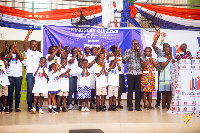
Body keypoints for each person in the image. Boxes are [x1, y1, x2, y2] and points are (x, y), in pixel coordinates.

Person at [124, 39, 146, 111]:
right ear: (132, 44)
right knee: (130, 90)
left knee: (138, 91)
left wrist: (139, 53)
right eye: (135, 44)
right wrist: (132, 50)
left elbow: (144, 61)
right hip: (130, 73)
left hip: (138, 73)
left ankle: (137, 106)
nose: (136, 45)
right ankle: (130, 105)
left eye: (137, 44)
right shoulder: (127, 51)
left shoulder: (140, 52)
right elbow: (124, 59)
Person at [24, 29, 43, 111]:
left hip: (38, 74)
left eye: (35, 44)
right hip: (30, 74)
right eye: (33, 44)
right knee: (30, 90)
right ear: (30, 45)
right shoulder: (28, 52)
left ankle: (35, 105)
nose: (34, 46)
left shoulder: (40, 53)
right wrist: (28, 33)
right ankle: (29, 105)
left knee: (37, 90)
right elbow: (25, 43)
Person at [152, 29, 170, 107]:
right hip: (161, 70)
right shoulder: (159, 51)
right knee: (160, 88)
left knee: (168, 89)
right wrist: (157, 36)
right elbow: (153, 45)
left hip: (168, 72)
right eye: (166, 47)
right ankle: (158, 101)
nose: (167, 48)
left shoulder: (170, 54)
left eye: (168, 47)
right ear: (163, 47)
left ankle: (167, 103)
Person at [6, 42, 24, 112]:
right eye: (13, 47)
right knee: (10, 92)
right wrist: (13, 51)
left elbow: (22, 58)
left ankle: (17, 107)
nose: (15, 48)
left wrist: (17, 49)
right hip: (10, 75)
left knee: (17, 92)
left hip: (18, 76)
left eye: (15, 47)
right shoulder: (8, 55)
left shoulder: (19, 56)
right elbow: (7, 58)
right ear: (10, 49)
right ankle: (10, 107)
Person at [157, 45, 175, 111]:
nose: (168, 51)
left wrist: (171, 58)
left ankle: (168, 106)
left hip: (170, 76)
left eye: (169, 50)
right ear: (164, 51)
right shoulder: (161, 58)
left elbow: (174, 65)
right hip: (163, 76)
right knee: (164, 92)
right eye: (167, 50)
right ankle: (163, 105)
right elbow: (163, 66)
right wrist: (169, 59)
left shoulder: (172, 58)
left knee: (169, 92)